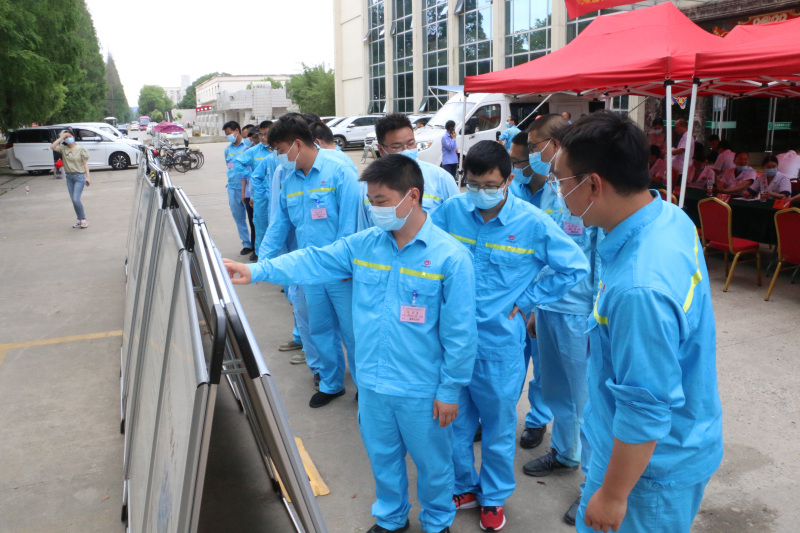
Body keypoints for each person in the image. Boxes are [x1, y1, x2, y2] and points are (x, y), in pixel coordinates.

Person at [224, 154, 478, 533]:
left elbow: (461, 334)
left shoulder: (450, 258)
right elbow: (313, 260)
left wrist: (450, 390)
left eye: (381, 201)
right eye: (370, 201)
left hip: (421, 388)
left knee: (434, 465)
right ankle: (391, 518)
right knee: (383, 458)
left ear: (412, 196)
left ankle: (437, 522)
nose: (374, 209)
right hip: (373, 383)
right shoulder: (365, 246)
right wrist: (256, 269)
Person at [551, 110, 722, 533]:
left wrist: (612, 495)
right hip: (666, 443)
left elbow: (645, 409)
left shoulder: (639, 288)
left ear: (593, 184)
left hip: (647, 473)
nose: (559, 192)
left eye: (561, 181)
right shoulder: (668, 216)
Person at [431, 141, 589, 532]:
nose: (480, 192)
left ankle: (494, 496)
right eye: (472, 184)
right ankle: (464, 487)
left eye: (489, 185)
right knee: (454, 425)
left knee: (498, 428)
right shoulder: (451, 212)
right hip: (451, 342)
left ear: (507, 181)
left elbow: (575, 267)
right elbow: (426, 252)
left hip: (498, 347)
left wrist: (529, 299)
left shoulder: (532, 223)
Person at [521, 113, 603, 526]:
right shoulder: (554, 188)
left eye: (536, 146)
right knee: (556, 391)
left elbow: (600, 260)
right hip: (550, 307)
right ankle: (566, 454)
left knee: (586, 400)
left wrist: (595, 316)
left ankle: (592, 484)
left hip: (579, 313)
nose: (532, 154)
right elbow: (543, 250)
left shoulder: (585, 189)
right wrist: (535, 306)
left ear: (556, 144)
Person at [260, 114, 360, 408]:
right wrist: (259, 265)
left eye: (280, 150)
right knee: (320, 330)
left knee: (353, 333)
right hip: (311, 270)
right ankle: (331, 383)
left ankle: (365, 387)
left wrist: (345, 265)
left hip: (341, 272)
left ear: (297, 144)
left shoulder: (340, 172)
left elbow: (351, 226)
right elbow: (279, 225)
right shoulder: (290, 180)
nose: (278, 157)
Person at [358, 114, 459, 232]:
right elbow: (363, 230)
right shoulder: (369, 186)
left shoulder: (441, 178)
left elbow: (458, 224)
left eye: (411, 144)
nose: (406, 150)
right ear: (381, 150)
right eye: (397, 146)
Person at [235, 121, 274, 261]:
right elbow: (237, 163)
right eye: (261, 134)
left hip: (278, 195)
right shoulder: (254, 151)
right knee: (261, 226)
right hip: (261, 196)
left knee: (278, 226)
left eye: (266, 134)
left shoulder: (280, 150)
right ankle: (261, 256)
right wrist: (252, 175)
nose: (263, 137)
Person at [223, 121, 253, 255]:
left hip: (247, 188)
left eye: (229, 133)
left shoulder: (248, 146)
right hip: (232, 187)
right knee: (238, 217)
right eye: (226, 135)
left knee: (253, 217)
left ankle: (255, 242)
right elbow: (229, 166)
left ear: (236, 131)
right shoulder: (227, 150)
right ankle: (246, 243)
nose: (228, 136)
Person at [50, 130, 91, 228]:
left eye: (69, 136)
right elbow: (52, 147)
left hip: (79, 176)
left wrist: (88, 177)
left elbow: (85, 163)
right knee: (73, 200)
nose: (68, 138)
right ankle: (79, 219)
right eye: (66, 137)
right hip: (69, 177)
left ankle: (84, 219)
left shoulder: (81, 149)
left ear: (74, 137)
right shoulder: (63, 149)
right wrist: (61, 137)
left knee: (76, 199)